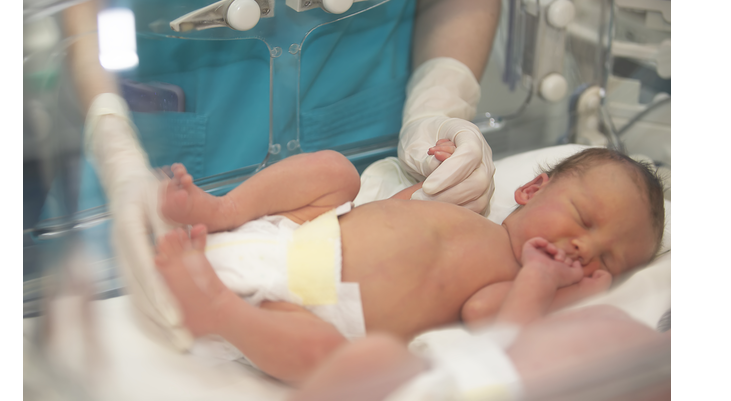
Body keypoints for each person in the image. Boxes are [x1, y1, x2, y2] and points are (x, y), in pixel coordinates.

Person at [153, 145, 665, 384]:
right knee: (335, 171)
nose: (583, 247)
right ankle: (224, 210)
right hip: (293, 233)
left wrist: (552, 283)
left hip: (300, 307)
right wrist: (435, 174)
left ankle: (218, 311)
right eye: (583, 218)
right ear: (531, 190)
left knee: (326, 359)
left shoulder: (506, 281)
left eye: (605, 261)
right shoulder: (469, 211)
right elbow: (391, 208)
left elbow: (502, 332)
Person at [288, 239, 671, 401]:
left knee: (375, 356)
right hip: (468, 378)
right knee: (375, 357)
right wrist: (543, 278)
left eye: (607, 262)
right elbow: (513, 333)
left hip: (483, 382)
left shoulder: (657, 368)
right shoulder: (615, 321)